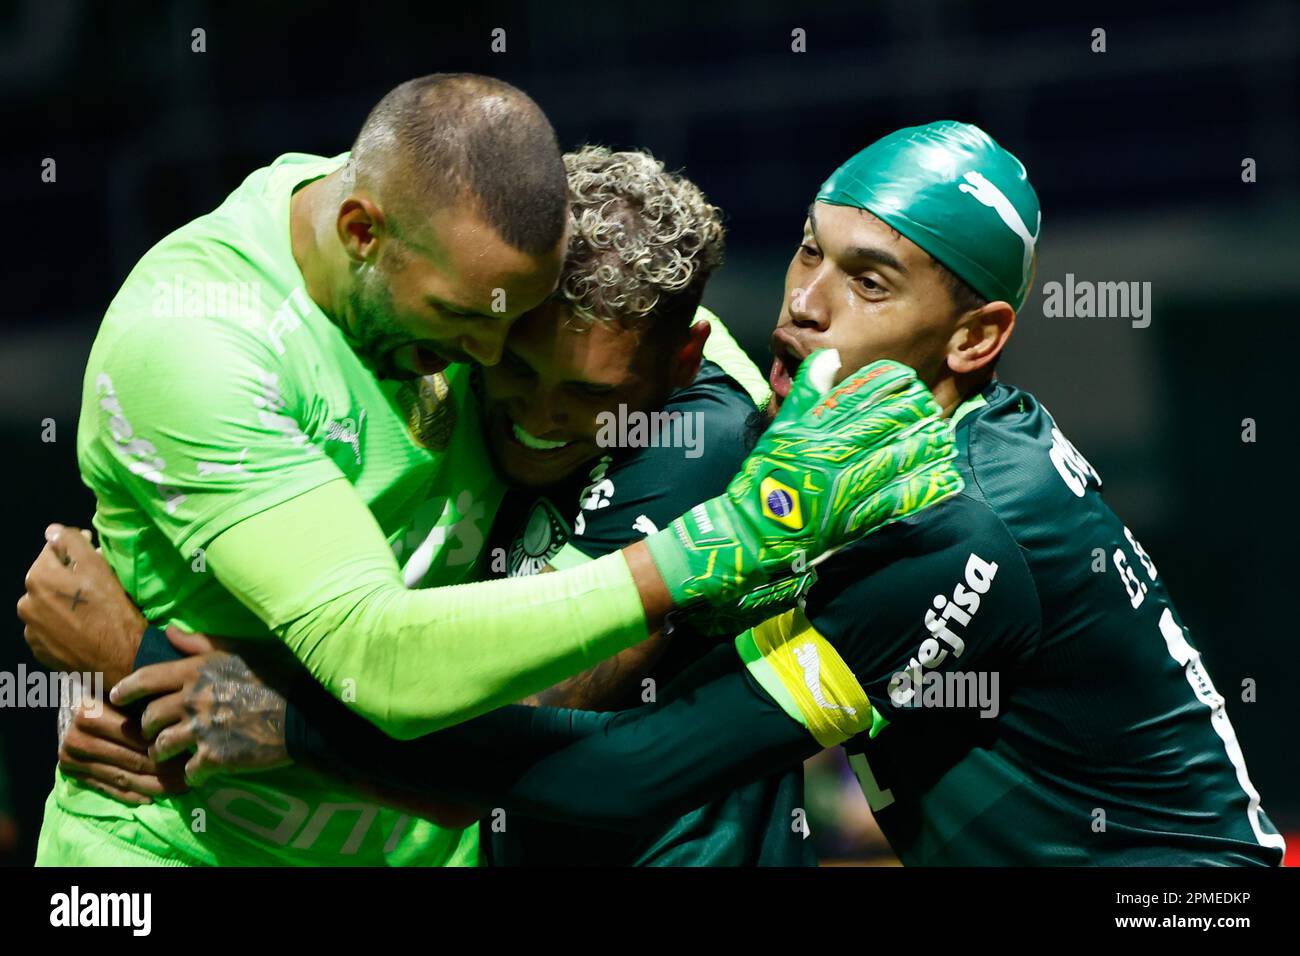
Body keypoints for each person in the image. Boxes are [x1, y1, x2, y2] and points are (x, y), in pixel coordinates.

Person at [69, 121, 1282, 866]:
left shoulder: (944, 520)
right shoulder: (814, 441)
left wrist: (216, 690)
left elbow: (607, 763)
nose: (807, 300)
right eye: (809, 249)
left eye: (870, 279)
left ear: (975, 336)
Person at [18, 77, 961, 866]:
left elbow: (532, 716)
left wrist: (150, 660)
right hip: (166, 849)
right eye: (485, 336)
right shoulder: (203, 341)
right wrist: (713, 549)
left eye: (518, 325)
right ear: (360, 231)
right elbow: (374, 653)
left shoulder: (643, 393)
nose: (503, 365)